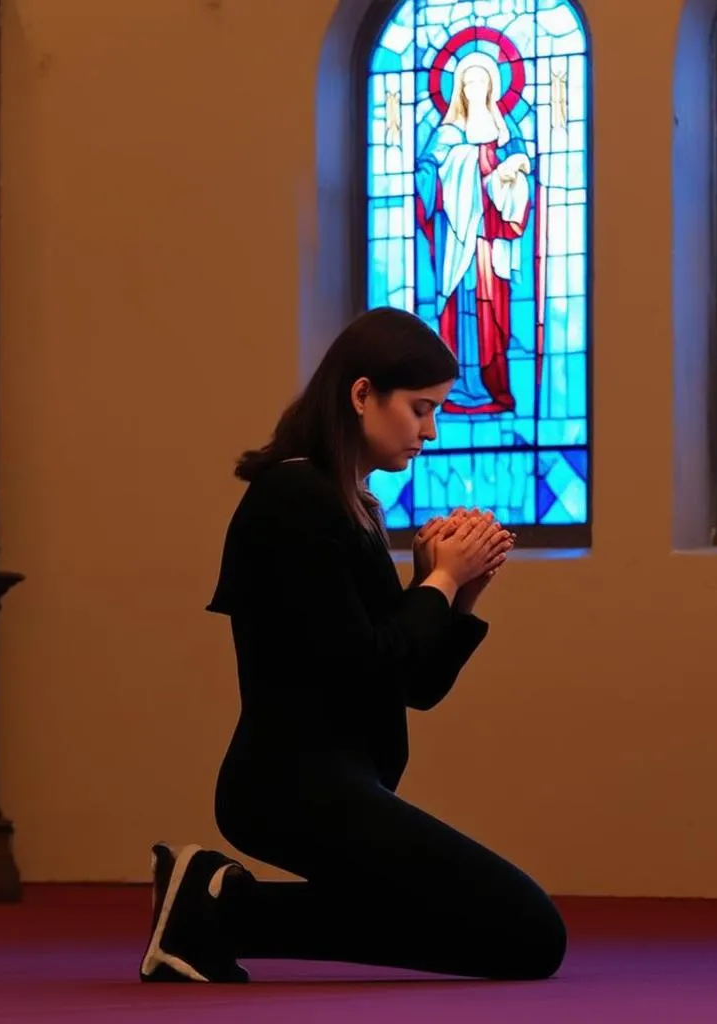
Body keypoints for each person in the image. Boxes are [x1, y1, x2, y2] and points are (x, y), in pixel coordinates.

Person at [138, 306, 567, 985]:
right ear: (362, 394)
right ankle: (217, 909)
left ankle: (216, 909)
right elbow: (368, 665)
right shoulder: (293, 499)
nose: (430, 430)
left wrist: (456, 589)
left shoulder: (350, 502)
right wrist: (439, 581)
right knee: (531, 933)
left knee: (517, 939)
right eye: (420, 408)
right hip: (290, 784)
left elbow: (412, 687)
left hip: (336, 782)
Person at [416, 51, 532, 415]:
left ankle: (492, 386)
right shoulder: (447, 133)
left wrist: (511, 175)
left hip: (489, 241)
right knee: (459, 307)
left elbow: (522, 177)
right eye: (467, 83)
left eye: (481, 81)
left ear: (493, 87)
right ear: (459, 91)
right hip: (455, 240)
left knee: (491, 309)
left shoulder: (505, 132)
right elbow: (427, 176)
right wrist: (467, 165)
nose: (474, 88)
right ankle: (458, 387)